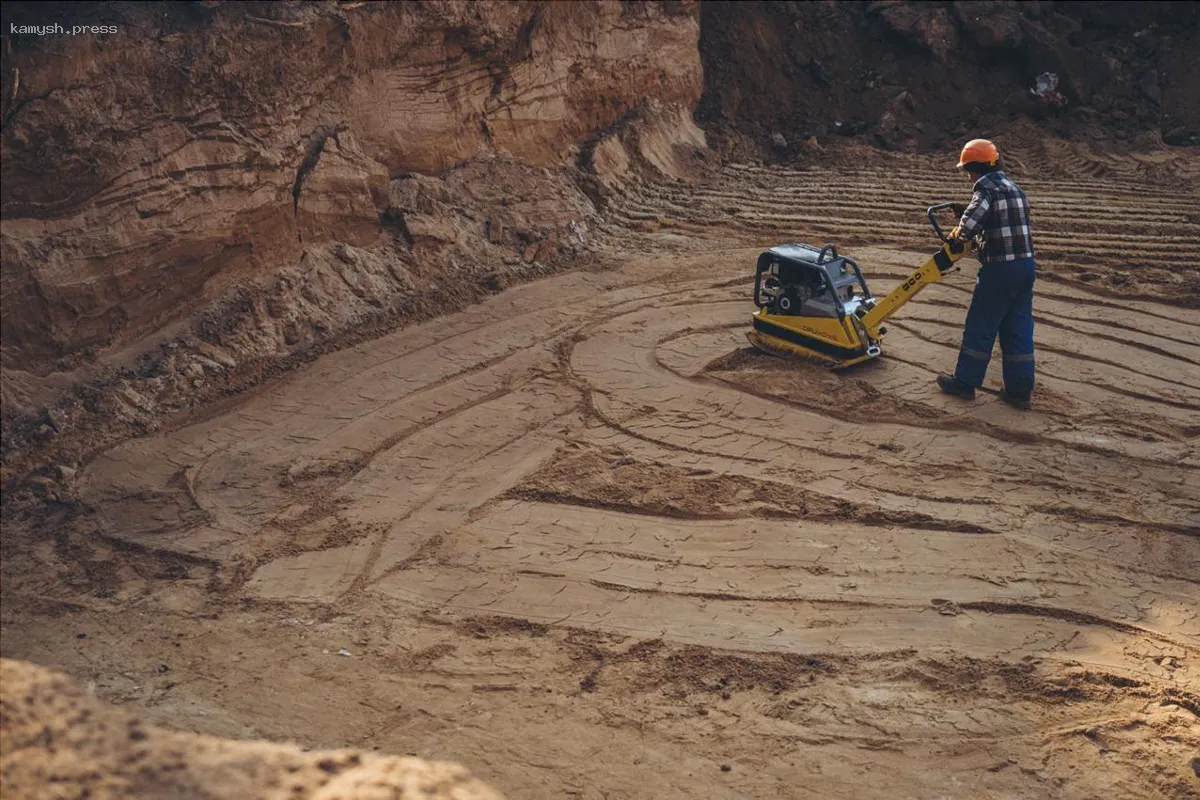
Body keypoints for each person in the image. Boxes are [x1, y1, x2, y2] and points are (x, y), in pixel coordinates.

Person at [936, 139, 1036, 410]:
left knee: (981, 324)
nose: (968, 176)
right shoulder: (1015, 189)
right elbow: (1007, 225)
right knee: (1018, 328)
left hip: (1000, 270)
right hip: (1025, 267)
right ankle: (1019, 392)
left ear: (976, 168)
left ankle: (965, 383)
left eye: (968, 170)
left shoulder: (985, 191)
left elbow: (966, 228)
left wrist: (955, 236)